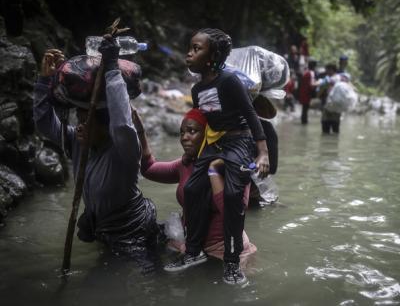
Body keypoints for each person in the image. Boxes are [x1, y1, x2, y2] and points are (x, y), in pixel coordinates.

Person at [33, 39, 159, 260]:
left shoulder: (124, 151)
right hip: (103, 229)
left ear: (107, 126)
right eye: (79, 118)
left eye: (87, 120)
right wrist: (44, 80)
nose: (80, 125)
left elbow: (122, 123)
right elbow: (45, 124)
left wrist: (111, 69)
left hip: (133, 233)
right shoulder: (77, 141)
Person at [163, 28, 269, 285]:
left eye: (196, 49)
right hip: (215, 143)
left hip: (239, 141)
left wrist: (262, 152)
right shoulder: (197, 89)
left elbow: (250, 114)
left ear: (213, 57)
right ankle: (194, 250)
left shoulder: (229, 81)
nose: (189, 53)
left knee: (233, 196)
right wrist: (191, 153)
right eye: (190, 47)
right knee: (192, 188)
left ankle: (232, 263)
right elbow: (203, 125)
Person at [132, 108, 257, 263]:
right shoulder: (186, 164)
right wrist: (140, 132)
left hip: (224, 253)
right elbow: (149, 169)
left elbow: (233, 213)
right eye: (182, 132)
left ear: (209, 135)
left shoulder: (231, 165)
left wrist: (213, 172)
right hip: (193, 249)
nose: (184, 137)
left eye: (192, 131)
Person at [298, 58, 317, 124]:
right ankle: (304, 123)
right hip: (307, 94)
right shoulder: (311, 73)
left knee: (304, 109)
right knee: (305, 109)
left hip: (303, 92)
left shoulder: (305, 72)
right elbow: (311, 85)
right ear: (314, 66)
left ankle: (303, 122)